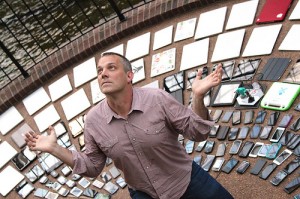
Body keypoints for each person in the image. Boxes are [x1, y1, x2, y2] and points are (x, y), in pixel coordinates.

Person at [25, 52, 234, 199]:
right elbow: (92, 166)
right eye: (99, 71)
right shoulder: (93, 121)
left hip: (186, 180)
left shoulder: (157, 99)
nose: (103, 74)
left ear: (129, 76)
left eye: (111, 68)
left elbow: (198, 132)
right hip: (145, 193)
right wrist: (54, 148)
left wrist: (197, 96)